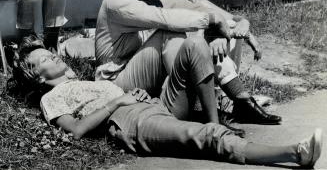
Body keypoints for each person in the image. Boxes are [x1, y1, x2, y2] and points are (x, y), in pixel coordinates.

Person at [12, 35, 323, 168]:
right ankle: (295, 154)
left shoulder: (83, 82)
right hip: (129, 121)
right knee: (200, 137)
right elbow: (74, 131)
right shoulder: (52, 97)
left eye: (47, 52)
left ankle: (215, 122)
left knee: (192, 45)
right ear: (38, 76)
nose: (51, 55)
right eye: (43, 58)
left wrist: (134, 95)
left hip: (152, 106)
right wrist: (118, 103)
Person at [95, 0, 279, 129]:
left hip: (140, 74)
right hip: (115, 84)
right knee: (171, 30)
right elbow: (164, 17)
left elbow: (184, 6)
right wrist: (212, 20)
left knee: (185, 31)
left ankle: (231, 105)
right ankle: (210, 117)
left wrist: (235, 27)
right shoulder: (116, 0)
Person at [154, 0, 280, 125]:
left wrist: (240, 27)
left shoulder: (198, 1)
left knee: (228, 28)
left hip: (200, 72)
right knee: (215, 35)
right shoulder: (164, 6)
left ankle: (238, 101)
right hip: (173, 81)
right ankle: (240, 101)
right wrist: (213, 37)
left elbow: (236, 20)